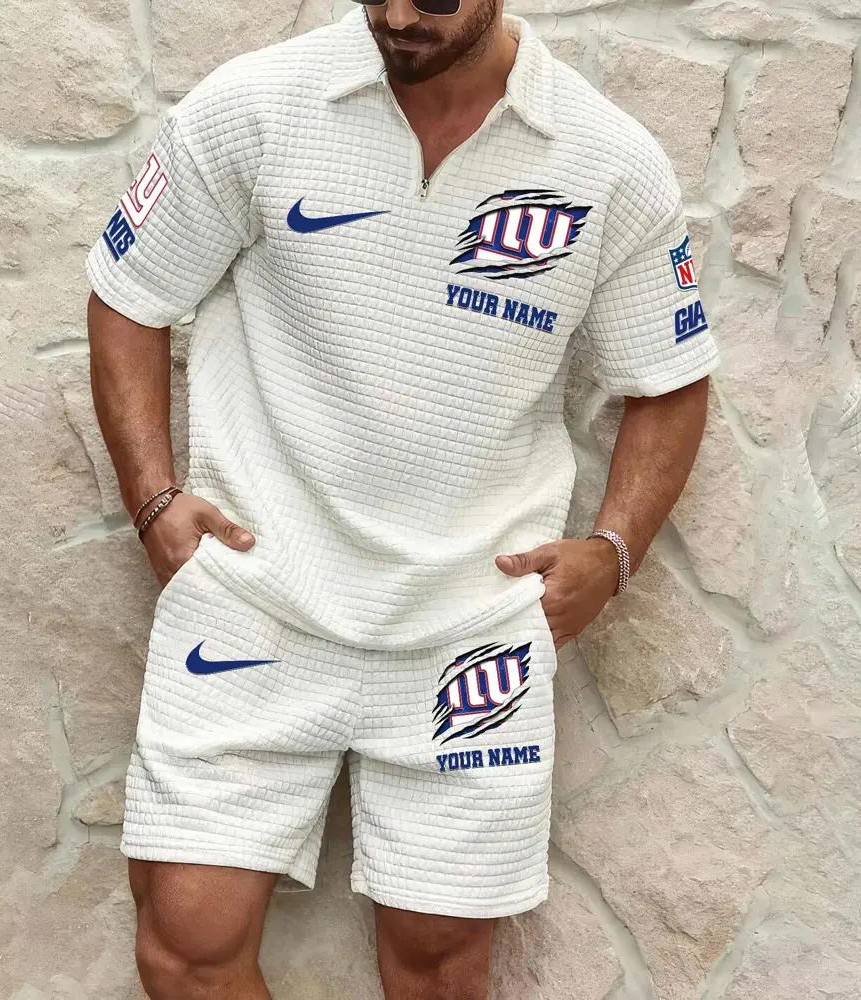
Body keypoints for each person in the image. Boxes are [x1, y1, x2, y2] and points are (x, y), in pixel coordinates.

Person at [84, 0, 720, 994]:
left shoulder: (608, 161)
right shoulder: (253, 106)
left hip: (471, 632)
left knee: (438, 972)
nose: (395, 15)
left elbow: (671, 380)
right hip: (255, 602)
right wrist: (154, 497)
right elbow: (129, 293)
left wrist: (613, 549)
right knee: (186, 951)